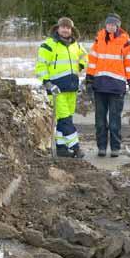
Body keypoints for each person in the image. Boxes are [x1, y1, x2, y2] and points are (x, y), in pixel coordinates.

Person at [85, 13, 130, 157]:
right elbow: (93, 61)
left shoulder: (125, 42)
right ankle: (101, 147)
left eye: (114, 24)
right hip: (99, 86)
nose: (111, 26)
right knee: (100, 121)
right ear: (106, 25)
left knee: (115, 121)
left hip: (116, 87)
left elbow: (129, 64)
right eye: (109, 24)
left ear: (118, 26)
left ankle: (115, 148)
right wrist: (89, 79)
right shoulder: (99, 39)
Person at [35, 17, 87, 158]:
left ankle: (61, 148)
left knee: (65, 118)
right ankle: (76, 147)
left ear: (71, 30)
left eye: (68, 28)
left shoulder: (76, 45)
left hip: (72, 88)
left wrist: (80, 66)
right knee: (65, 120)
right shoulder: (48, 45)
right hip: (56, 89)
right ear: (58, 28)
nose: (65, 30)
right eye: (63, 27)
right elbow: (41, 66)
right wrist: (47, 83)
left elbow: (84, 57)